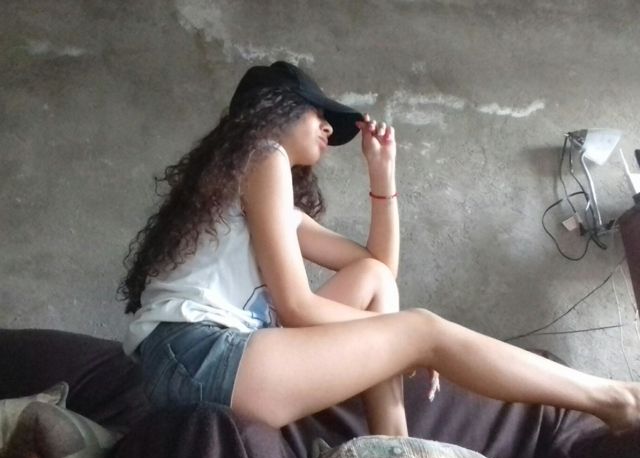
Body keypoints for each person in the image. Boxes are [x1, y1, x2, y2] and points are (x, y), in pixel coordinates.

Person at [119, 61, 640, 437]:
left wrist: (381, 174)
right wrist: (404, 341)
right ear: (274, 110)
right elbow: (297, 307)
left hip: (199, 361)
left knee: (377, 286)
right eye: (317, 113)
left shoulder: (261, 191)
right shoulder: (266, 154)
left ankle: (394, 446)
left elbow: (378, 271)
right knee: (422, 329)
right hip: (198, 358)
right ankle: (613, 398)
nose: (329, 128)